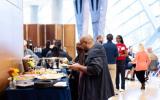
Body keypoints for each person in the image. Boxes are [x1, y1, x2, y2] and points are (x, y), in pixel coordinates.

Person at [69, 35, 114, 100]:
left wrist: (79, 67)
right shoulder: (94, 49)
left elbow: (95, 69)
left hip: (95, 89)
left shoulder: (97, 49)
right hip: (94, 88)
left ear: (85, 43)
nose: (81, 46)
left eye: (81, 44)